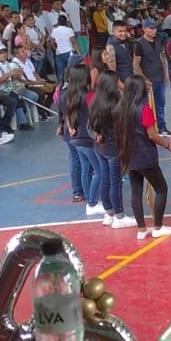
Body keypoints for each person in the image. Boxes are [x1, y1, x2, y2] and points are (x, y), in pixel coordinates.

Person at [115, 75, 171, 239]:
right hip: (145, 156)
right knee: (161, 188)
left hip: (129, 155)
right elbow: (152, 135)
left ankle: (141, 229)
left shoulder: (120, 109)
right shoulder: (144, 109)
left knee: (136, 191)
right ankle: (157, 226)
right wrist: (167, 144)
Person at [88, 71, 127, 227]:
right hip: (113, 146)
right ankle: (119, 214)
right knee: (115, 181)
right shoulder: (116, 103)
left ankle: (109, 212)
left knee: (105, 179)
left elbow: (89, 126)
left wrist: (96, 135)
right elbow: (122, 125)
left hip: (100, 146)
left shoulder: (95, 101)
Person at [59, 63, 100, 210]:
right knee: (99, 170)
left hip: (75, 137)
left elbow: (65, 115)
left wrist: (68, 127)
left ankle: (86, 195)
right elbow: (96, 116)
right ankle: (91, 200)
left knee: (84, 167)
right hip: (86, 138)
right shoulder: (88, 96)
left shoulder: (67, 94)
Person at [133, 20, 170, 133]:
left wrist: (166, 75)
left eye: (154, 28)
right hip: (147, 79)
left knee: (160, 104)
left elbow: (162, 58)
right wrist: (144, 80)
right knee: (148, 106)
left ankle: (161, 127)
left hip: (159, 77)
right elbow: (136, 64)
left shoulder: (158, 40)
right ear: (144, 29)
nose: (154, 31)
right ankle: (149, 129)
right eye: (151, 28)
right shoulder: (138, 44)